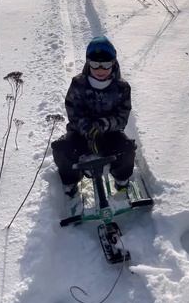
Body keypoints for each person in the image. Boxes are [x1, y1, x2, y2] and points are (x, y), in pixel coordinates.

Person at [51, 36, 136, 216]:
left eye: (105, 65)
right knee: (61, 149)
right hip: (81, 133)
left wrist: (103, 126)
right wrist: (89, 130)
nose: (100, 70)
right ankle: (71, 183)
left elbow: (122, 117)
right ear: (88, 63)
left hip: (110, 134)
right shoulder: (78, 84)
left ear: (113, 64)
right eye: (95, 64)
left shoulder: (122, 87)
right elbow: (73, 112)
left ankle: (121, 181)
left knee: (127, 148)